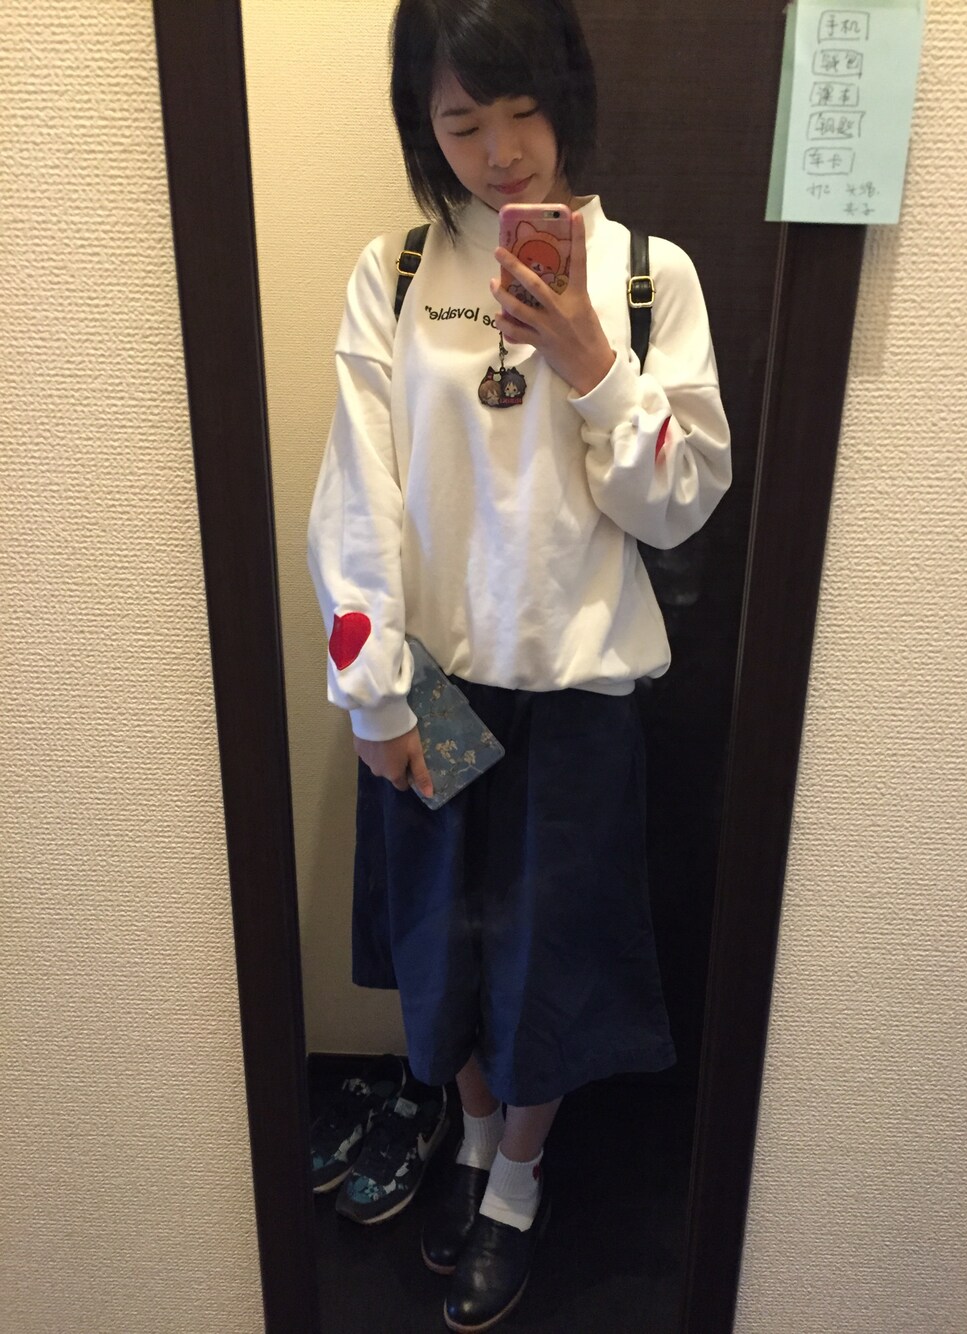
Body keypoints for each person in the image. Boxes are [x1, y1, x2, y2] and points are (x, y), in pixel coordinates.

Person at [307, 0, 732, 1328]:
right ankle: (475, 1136)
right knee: (444, 945)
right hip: (433, 685)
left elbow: (684, 501)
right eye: (462, 122)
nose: (500, 152)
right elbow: (357, 496)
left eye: (523, 110)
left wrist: (594, 362)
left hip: (581, 690)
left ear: (569, 94)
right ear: (423, 129)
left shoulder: (649, 275)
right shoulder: (396, 272)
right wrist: (374, 692)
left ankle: (515, 1185)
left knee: (551, 960)